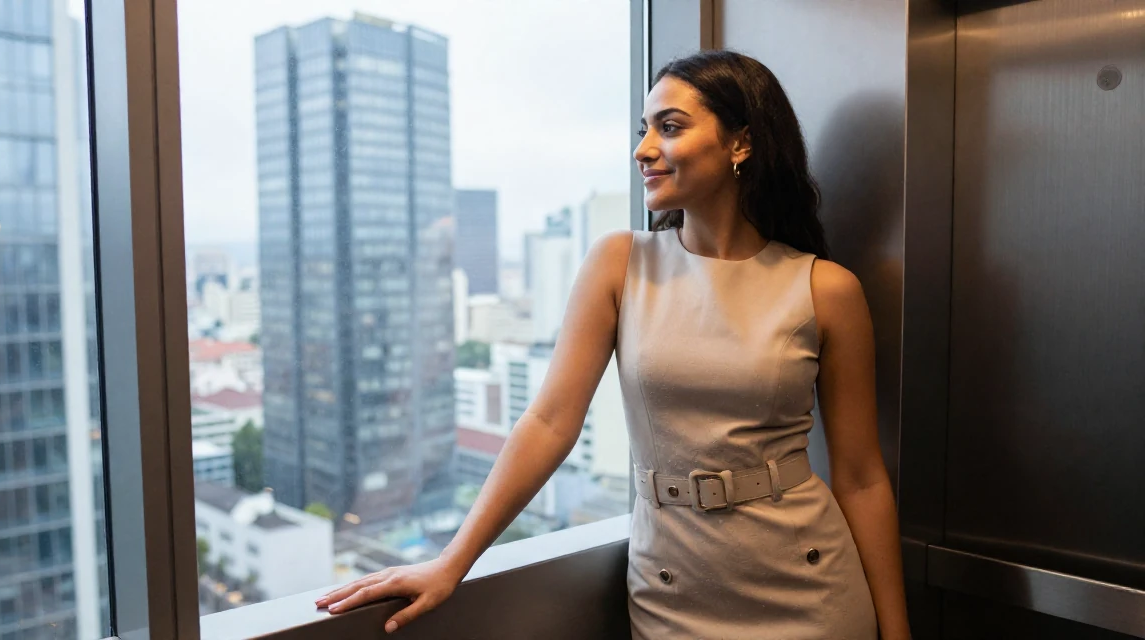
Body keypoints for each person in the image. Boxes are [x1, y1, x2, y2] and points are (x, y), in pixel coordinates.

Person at [316, 50, 912, 639]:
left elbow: (861, 477)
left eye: (669, 128)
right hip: (674, 595)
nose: (643, 148)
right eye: (643, 129)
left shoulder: (826, 289)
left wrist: (898, 631)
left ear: (741, 143)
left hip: (811, 589)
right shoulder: (620, 263)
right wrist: (452, 561)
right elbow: (549, 422)